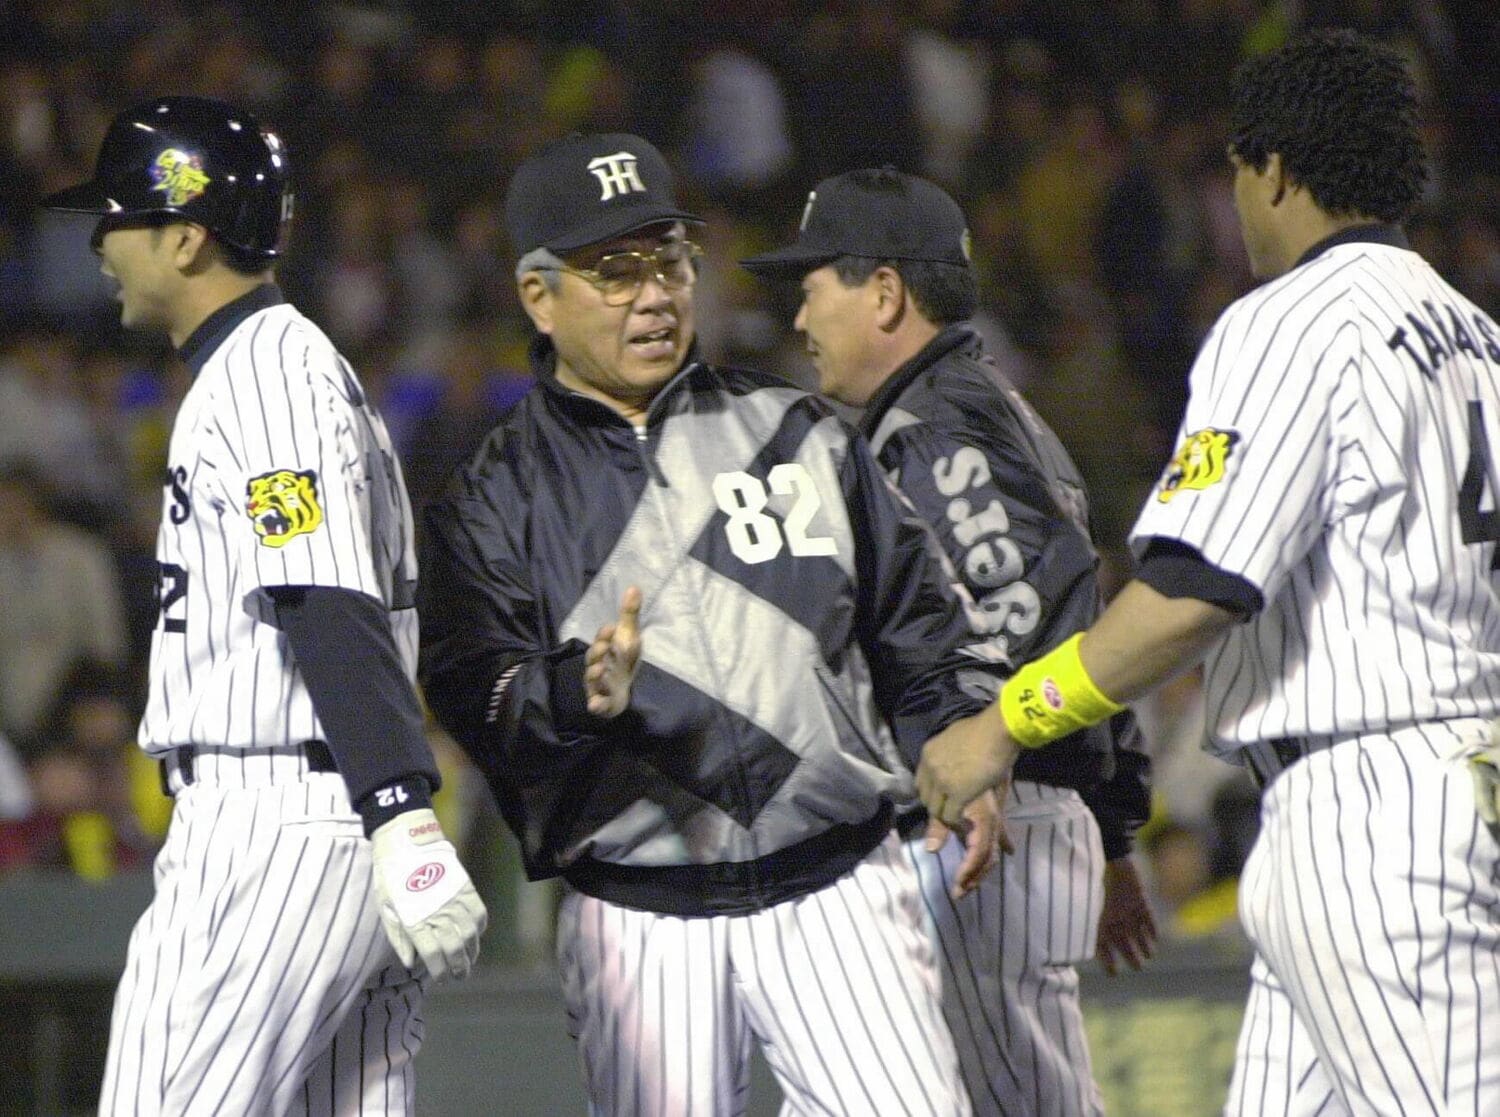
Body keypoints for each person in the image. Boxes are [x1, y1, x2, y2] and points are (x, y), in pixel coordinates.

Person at [916, 30, 1500, 1116]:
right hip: (1445, 780)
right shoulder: (1475, 334)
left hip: (1371, 814)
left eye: (1238, 169)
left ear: (1274, 168)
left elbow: (1194, 593)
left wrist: (1009, 719)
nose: (1233, 197)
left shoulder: (1289, 322)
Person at [417, 131, 1009, 1117]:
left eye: (669, 260)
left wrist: (957, 735)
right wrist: (575, 691)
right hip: (638, 918)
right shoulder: (491, 498)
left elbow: (920, 622)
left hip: (840, 886)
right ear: (537, 295)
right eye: (616, 270)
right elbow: (477, 699)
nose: (656, 294)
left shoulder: (798, 430)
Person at [42, 95, 486, 1115]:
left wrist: (399, 811)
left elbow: (323, 595)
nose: (101, 243)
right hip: (326, 820)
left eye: (117, 219)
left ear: (186, 237)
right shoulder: (278, 370)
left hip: (278, 827)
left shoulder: (268, 377)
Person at [742, 167, 1155, 1117]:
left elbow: (1022, 624)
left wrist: (1047, 790)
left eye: (813, 288)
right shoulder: (982, 406)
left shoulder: (935, 428)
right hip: (1028, 812)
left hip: (989, 821)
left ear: (883, 292)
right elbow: (1076, 615)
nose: (799, 319)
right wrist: (1114, 826)